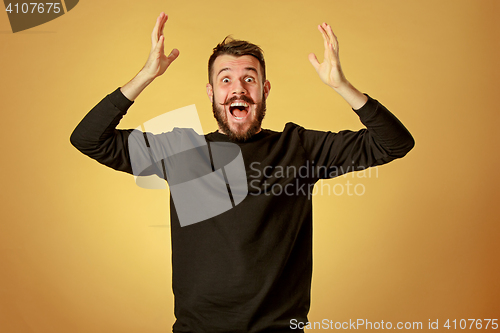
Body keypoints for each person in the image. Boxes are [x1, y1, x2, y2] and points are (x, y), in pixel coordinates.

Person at [70, 12, 414, 333]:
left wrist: (342, 86)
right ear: (212, 93)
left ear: (264, 91)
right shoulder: (182, 152)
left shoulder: (299, 147)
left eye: (249, 79)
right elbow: (88, 139)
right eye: (226, 80)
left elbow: (394, 143)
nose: (238, 89)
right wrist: (146, 75)